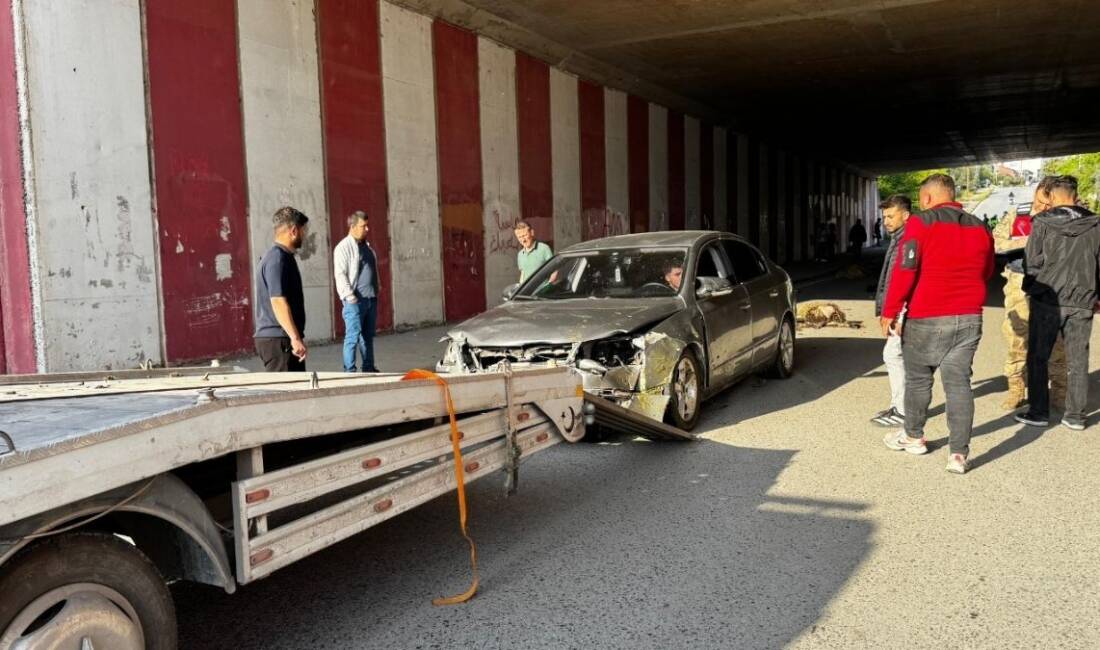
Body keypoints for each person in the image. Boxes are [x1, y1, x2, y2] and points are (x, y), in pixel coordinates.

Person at [880, 174, 994, 475]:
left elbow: (906, 269)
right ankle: (958, 455)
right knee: (959, 385)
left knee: (919, 380)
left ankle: (914, 436)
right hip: (969, 316)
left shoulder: (921, 222)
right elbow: (987, 269)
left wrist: (890, 310)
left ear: (928, 197)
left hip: (927, 315)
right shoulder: (980, 226)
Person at [1015, 176, 1100, 430]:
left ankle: (1039, 412)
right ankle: (1075, 416)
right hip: (1082, 300)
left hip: (1048, 299)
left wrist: (1033, 287)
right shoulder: (1096, 223)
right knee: (1078, 360)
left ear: (1051, 197)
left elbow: (1031, 263)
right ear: (1075, 195)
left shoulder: (1042, 222)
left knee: (1038, 357)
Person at [992, 176, 1065, 410]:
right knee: (1017, 338)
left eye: (1050, 204)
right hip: (1018, 284)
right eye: (1042, 201)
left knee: (1057, 340)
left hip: (1052, 284)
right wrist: (1031, 242)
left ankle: (1060, 392)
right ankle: (1016, 389)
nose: (1045, 208)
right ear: (1036, 193)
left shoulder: (1063, 217)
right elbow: (997, 243)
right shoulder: (1017, 214)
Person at [870, 195, 912, 428]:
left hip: (902, 309)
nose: (886, 221)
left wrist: (894, 312)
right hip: (899, 308)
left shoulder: (906, 240)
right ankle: (900, 406)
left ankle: (903, 410)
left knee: (893, 355)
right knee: (895, 355)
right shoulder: (898, 238)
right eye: (884, 216)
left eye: (890, 216)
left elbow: (901, 279)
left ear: (905, 215)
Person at [254, 207, 309, 372]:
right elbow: (278, 301)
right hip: (279, 341)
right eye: (303, 231)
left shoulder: (281, 257)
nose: (305, 235)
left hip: (281, 339)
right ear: (293, 231)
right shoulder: (277, 260)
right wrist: (295, 338)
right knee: (286, 393)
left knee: (296, 393)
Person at [333, 210, 381, 373]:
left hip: (371, 299)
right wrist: (349, 296)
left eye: (367, 225)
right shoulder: (343, 248)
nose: (367, 229)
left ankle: (368, 367)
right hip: (355, 301)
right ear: (352, 227)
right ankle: (349, 371)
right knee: (352, 337)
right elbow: (340, 274)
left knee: (367, 336)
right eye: (363, 226)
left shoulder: (367, 247)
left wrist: (377, 288)